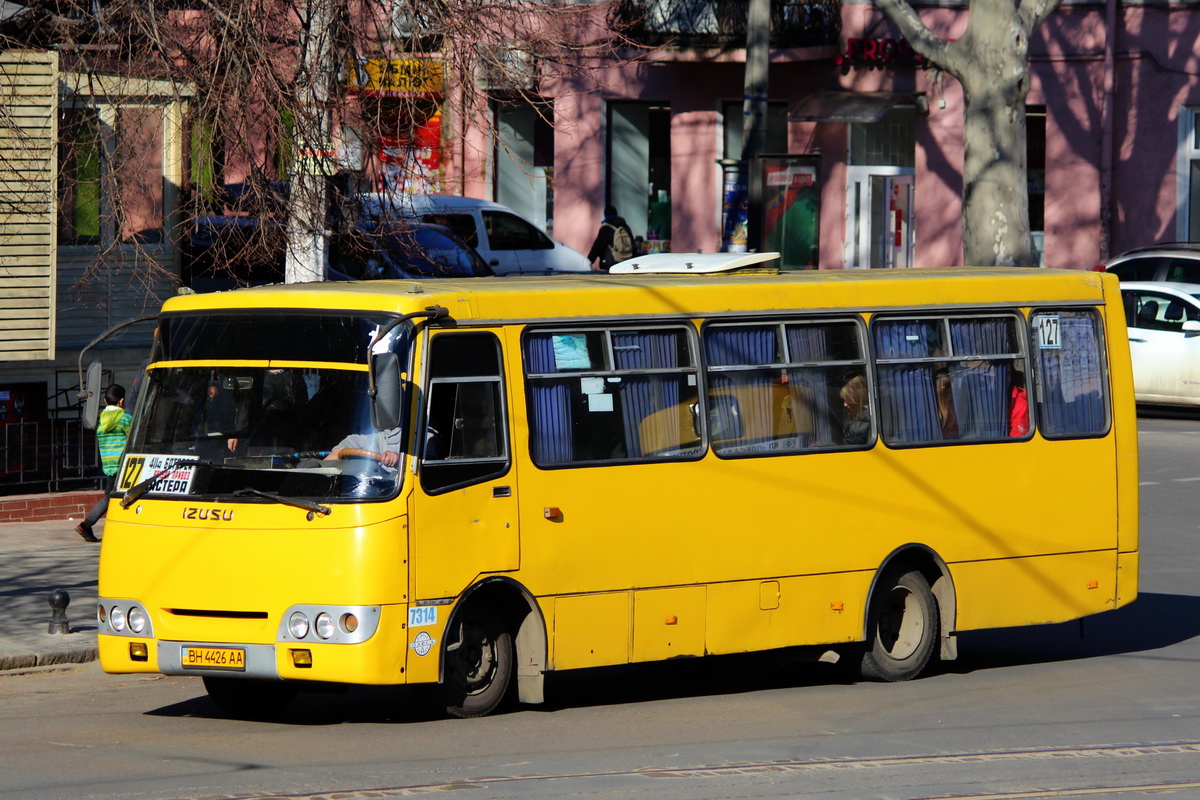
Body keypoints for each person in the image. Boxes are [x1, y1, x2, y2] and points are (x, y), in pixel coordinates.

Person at [76, 384, 133, 542]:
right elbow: (134, 439)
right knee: (131, 495)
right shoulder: (125, 418)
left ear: (104, 400)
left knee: (110, 496)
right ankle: (89, 525)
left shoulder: (101, 419)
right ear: (121, 401)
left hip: (108, 466)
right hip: (124, 465)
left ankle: (86, 525)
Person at [325, 426, 403, 468]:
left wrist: (399, 458)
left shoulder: (412, 432)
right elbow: (356, 440)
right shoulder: (382, 436)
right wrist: (338, 452)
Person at [587, 205, 634, 272]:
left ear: (605, 215)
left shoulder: (606, 228)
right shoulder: (625, 227)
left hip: (612, 263)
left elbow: (598, 246)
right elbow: (632, 245)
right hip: (626, 263)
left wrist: (588, 261)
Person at [839, 374, 871, 445]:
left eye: (848, 401)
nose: (845, 405)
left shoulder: (864, 423)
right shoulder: (852, 418)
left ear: (857, 401)